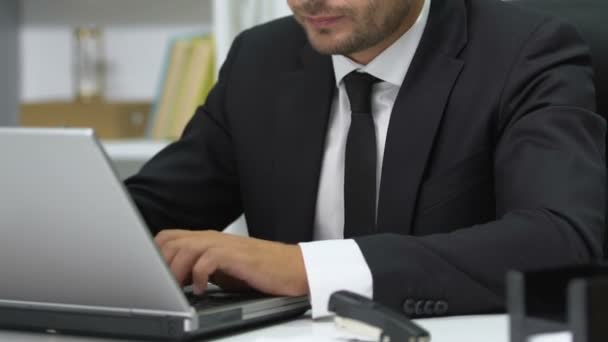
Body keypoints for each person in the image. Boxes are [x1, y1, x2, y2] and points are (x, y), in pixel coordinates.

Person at [125, 0, 606, 318]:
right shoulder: (260, 58)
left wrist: (305, 268)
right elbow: (149, 211)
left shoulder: (526, 53)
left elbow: (561, 238)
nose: (307, 1)